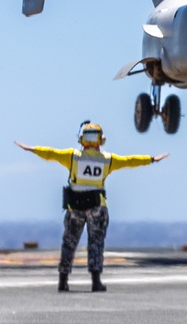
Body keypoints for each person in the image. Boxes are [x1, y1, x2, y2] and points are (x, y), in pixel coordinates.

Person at [16, 121, 167, 292]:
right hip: (97, 207)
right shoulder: (108, 160)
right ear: (101, 141)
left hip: (75, 207)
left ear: (81, 140)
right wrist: (151, 159)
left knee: (69, 243)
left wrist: (31, 149)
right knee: (96, 243)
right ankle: (96, 281)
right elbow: (129, 161)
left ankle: (63, 281)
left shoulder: (72, 157)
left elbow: (51, 153)